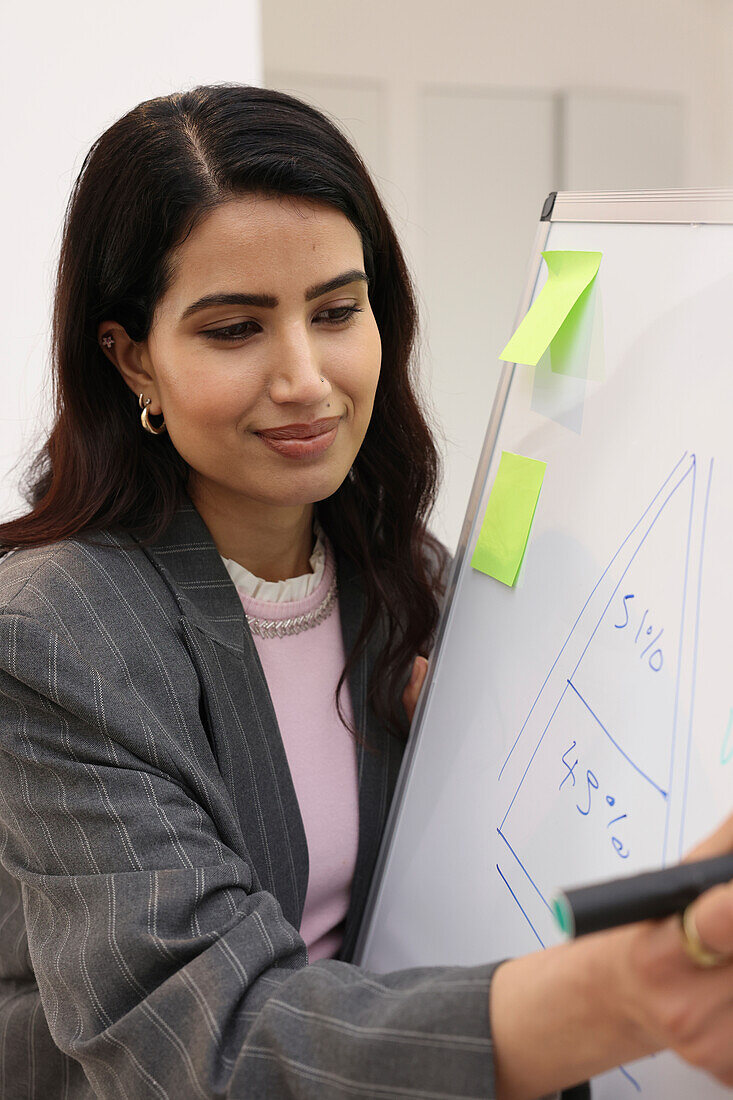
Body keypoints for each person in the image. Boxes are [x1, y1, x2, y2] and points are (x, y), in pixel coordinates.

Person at [0, 83, 730, 1100]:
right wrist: (619, 993)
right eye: (233, 329)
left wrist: (465, 769)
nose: (306, 376)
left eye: (337, 311)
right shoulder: (52, 635)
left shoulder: (408, 578)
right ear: (133, 360)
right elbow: (202, 1044)